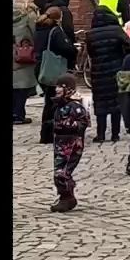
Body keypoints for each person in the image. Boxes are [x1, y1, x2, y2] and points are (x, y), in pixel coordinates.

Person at [86, 4, 130, 142]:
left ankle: (100, 134)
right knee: (115, 103)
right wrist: (122, 56)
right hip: (116, 70)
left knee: (100, 103)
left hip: (98, 72)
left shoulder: (90, 34)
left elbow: (90, 53)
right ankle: (115, 134)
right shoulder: (116, 30)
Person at [35, 6, 79, 144]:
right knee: (55, 101)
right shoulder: (55, 31)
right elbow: (65, 48)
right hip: (54, 69)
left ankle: (46, 134)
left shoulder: (39, 28)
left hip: (42, 67)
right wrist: (74, 50)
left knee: (49, 101)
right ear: (59, 17)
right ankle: (52, 133)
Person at [47, 74, 89, 212]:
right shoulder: (60, 104)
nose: (57, 89)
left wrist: (67, 125)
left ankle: (67, 198)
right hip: (60, 144)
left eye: (60, 86)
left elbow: (83, 123)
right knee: (58, 171)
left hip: (71, 145)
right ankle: (66, 196)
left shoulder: (75, 106)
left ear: (68, 89)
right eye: (57, 86)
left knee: (62, 172)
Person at [13, 0, 40, 124]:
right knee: (22, 86)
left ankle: (17, 113)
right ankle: (18, 114)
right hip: (24, 52)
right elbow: (35, 32)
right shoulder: (29, 14)